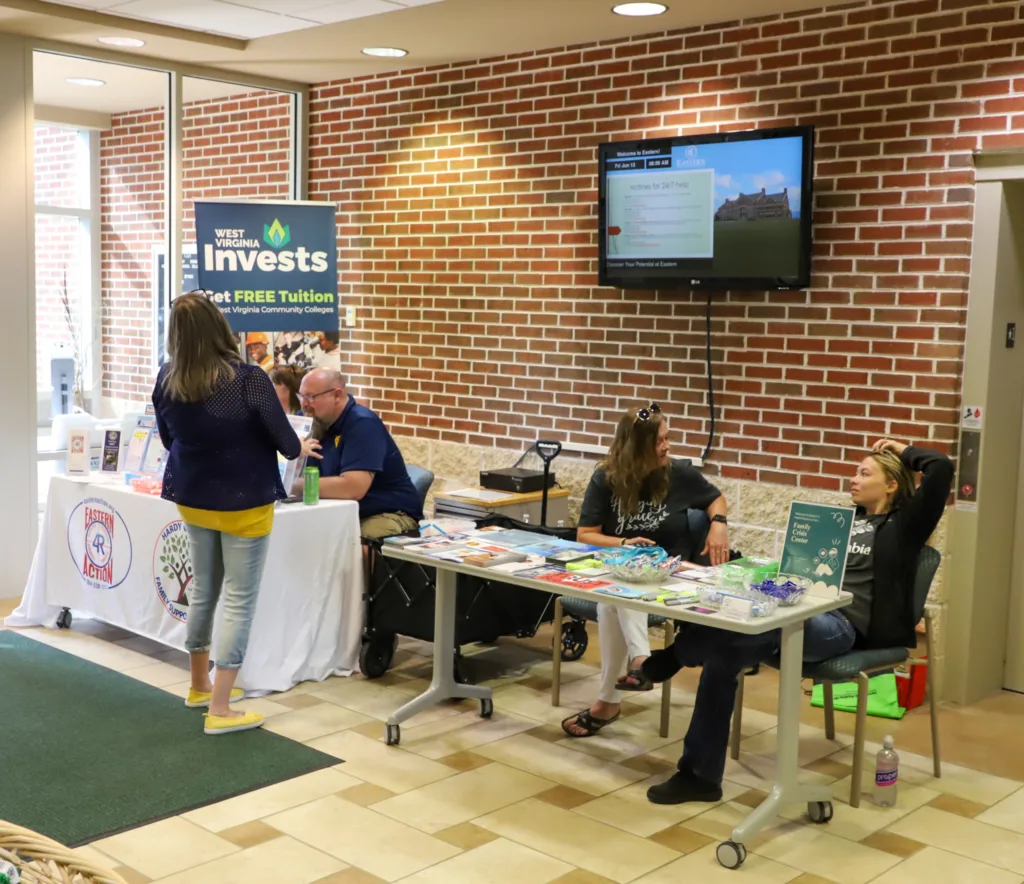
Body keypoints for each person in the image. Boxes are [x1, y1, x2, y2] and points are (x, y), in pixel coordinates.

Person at [637, 439, 954, 805]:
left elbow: (941, 468)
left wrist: (901, 450)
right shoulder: (842, 523)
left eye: (864, 473)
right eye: (855, 471)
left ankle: (674, 657)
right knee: (725, 651)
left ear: (892, 485)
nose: (853, 479)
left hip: (840, 628)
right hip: (797, 611)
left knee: (758, 621)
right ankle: (699, 777)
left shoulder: (905, 526)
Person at [152, 294, 319, 735]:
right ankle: (221, 709)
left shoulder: (167, 376)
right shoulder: (248, 379)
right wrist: (299, 446)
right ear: (219, 327)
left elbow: (168, 439)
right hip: (245, 502)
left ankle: (199, 686)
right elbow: (286, 442)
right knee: (239, 602)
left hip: (192, 496)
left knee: (204, 591)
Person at [561, 402, 730, 738]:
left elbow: (716, 498)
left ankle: (619, 689)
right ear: (636, 448)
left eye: (667, 438)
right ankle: (638, 669)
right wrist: (623, 544)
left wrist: (719, 524)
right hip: (624, 572)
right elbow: (585, 534)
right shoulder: (605, 478)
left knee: (616, 598)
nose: (667, 446)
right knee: (612, 600)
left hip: (672, 573)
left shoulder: (678, 473)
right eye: (659, 442)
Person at [297, 368, 423, 538]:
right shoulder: (310, 420)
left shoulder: (362, 424)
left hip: (385, 513)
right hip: (335, 511)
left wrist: (292, 486)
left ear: (336, 395)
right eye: (301, 397)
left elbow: (353, 488)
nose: (304, 404)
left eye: (311, 397)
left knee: (362, 543)